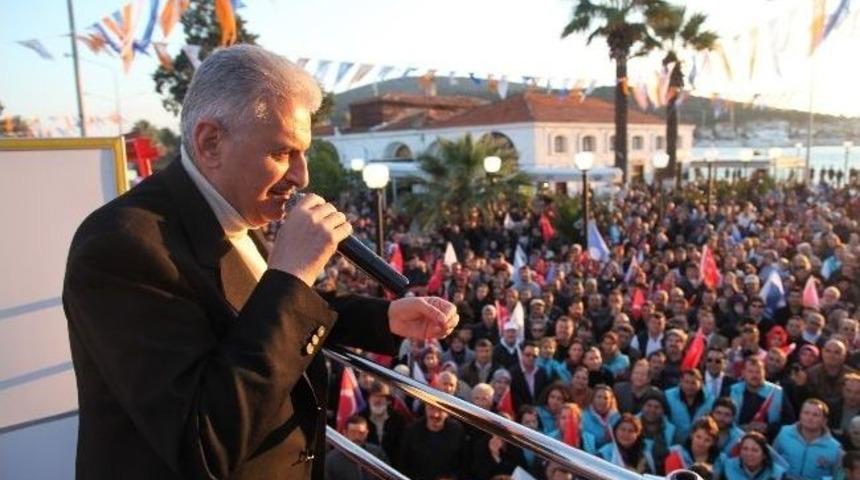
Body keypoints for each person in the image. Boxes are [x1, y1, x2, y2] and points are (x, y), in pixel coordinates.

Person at [62, 45, 459, 480]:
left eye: (303, 153)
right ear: (210, 143)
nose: (302, 176)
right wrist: (292, 274)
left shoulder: (227, 208)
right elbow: (201, 440)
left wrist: (384, 318)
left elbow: (252, 313)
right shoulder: (120, 246)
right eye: (282, 153)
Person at [773, 399, 844, 480]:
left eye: (815, 415)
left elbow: (838, 477)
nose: (810, 418)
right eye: (806, 413)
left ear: (824, 421)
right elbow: (772, 461)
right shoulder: (784, 433)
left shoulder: (835, 448)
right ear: (800, 415)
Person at [397, 404, 466, 480]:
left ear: (447, 412)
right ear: (425, 409)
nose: (435, 414)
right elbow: (402, 462)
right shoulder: (412, 430)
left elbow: (464, 462)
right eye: (431, 408)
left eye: (440, 410)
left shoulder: (457, 430)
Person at [325, 415, 388, 480]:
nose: (357, 437)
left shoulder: (377, 453)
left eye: (361, 433)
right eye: (353, 432)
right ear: (345, 432)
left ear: (366, 433)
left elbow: (387, 476)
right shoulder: (332, 459)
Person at [719, 431, 787, 480]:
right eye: (745, 449)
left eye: (755, 450)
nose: (749, 454)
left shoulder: (776, 474)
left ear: (764, 455)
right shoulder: (728, 467)